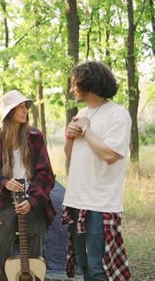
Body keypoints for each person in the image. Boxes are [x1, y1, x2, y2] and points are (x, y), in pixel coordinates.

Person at [63, 60, 131, 281]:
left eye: (75, 84)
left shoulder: (117, 115)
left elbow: (111, 155)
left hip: (100, 204)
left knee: (98, 267)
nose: (72, 89)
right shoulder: (82, 112)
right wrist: (70, 136)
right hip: (76, 200)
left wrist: (86, 129)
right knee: (83, 264)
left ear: (89, 84)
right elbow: (71, 155)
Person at [0, 90, 55, 281]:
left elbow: (46, 174)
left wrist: (32, 201)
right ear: (9, 112)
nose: (25, 110)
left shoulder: (35, 137)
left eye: (25, 106)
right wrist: (5, 183)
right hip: (7, 202)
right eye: (20, 107)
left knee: (34, 258)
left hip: (33, 201)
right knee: (1, 254)